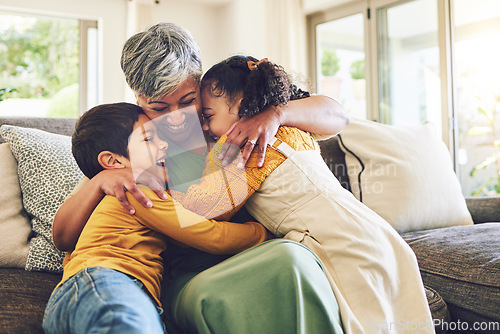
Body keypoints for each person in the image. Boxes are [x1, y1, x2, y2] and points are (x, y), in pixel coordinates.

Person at [52, 22, 348, 333]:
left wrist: (276, 114)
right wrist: (99, 182)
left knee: (296, 260)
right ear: (139, 100)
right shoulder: (139, 151)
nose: (177, 118)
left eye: (187, 100)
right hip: (190, 278)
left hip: (254, 254)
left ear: (201, 84)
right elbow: (63, 237)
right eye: (159, 107)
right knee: (289, 259)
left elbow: (338, 116)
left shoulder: (228, 120)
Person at [180, 55, 433, 333]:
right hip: (375, 231)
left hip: (333, 241)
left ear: (240, 107)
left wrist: (155, 197)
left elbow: (208, 205)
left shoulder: (242, 145)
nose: (204, 127)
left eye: (207, 116)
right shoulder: (293, 129)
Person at [43, 103, 270, 333]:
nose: (164, 144)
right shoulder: (135, 192)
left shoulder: (111, 193)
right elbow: (212, 235)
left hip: (89, 295)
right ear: (112, 162)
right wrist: (263, 233)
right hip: (105, 283)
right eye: (148, 138)